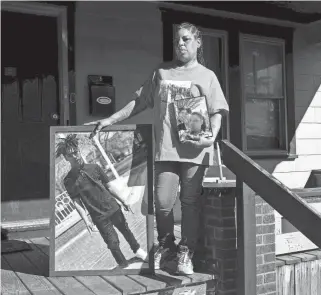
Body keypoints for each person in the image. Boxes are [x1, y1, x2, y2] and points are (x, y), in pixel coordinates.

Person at [86, 22, 229, 275]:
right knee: (163, 203)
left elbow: (217, 112)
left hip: (196, 151)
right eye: (177, 40)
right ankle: (166, 245)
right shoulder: (162, 72)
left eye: (186, 39)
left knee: (190, 203)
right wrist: (109, 120)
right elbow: (139, 102)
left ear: (198, 42)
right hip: (166, 151)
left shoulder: (207, 76)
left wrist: (211, 138)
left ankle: (187, 250)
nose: (180, 44)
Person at [57, 135, 148, 269]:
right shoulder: (68, 180)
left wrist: (124, 201)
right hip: (98, 216)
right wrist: (86, 220)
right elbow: (77, 202)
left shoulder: (95, 167)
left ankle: (138, 251)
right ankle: (123, 265)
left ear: (79, 151)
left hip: (112, 207)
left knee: (126, 230)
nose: (75, 156)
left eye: (76, 152)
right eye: (71, 155)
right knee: (112, 243)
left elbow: (110, 186)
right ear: (66, 157)